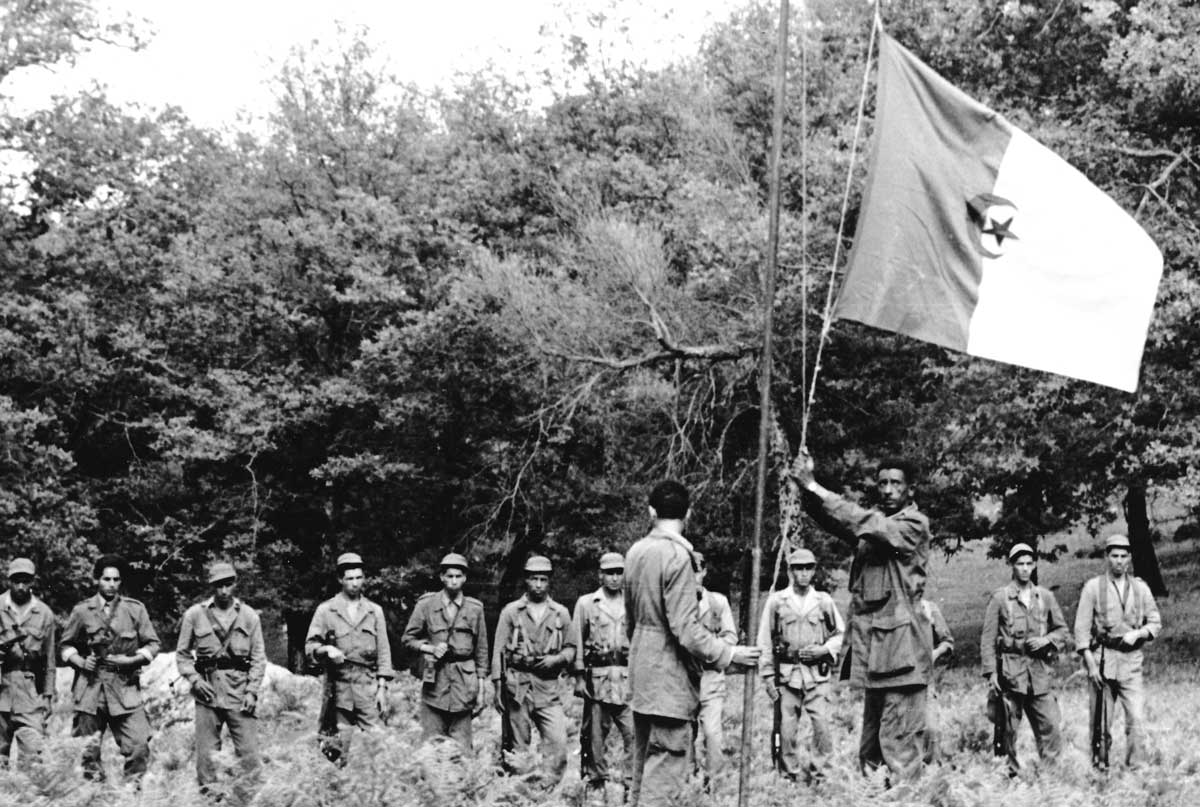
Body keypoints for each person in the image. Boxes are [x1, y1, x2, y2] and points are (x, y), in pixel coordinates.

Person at [624, 480, 761, 807]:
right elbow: (686, 629)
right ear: (689, 512)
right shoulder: (678, 555)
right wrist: (728, 653)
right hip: (669, 683)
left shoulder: (636, 551)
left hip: (642, 678)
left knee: (641, 774)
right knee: (665, 775)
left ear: (651, 512)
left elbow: (631, 621)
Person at [797, 453, 932, 782]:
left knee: (899, 752)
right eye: (882, 483)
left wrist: (816, 486)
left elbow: (865, 524)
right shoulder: (873, 532)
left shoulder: (911, 526)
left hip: (902, 660)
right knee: (870, 755)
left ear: (910, 490)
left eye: (895, 484)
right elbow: (839, 522)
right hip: (878, 661)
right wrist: (807, 491)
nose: (887, 490)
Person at [60, 553, 161, 782]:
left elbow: (153, 644)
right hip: (90, 689)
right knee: (87, 752)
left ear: (121, 581)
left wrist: (133, 660)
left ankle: (129, 796)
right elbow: (65, 646)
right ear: (97, 580)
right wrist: (80, 661)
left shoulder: (135, 610)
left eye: (116, 580)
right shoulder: (82, 611)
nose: (111, 584)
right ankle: (97, 797)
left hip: (124, 689)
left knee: (138, 746)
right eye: (106, 579)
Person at [176, 561, 267, 803]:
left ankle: (248, 801)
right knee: (206, 759)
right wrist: (194, 680)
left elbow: (259, 658)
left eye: (228, 584)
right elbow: (182, 655)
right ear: (211, 586)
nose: (224, 591)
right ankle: (210, 801)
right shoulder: (194, 615)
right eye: (218, 586)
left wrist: (252, 691)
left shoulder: (249, 616)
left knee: (249, 756)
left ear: (235, 584)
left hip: (239, 693)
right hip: (207, 693)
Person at [1073, 533, 1161, 769]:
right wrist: (1090, 665)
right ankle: (1100, 768)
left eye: (1123, 556)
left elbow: (1154, 622)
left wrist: (1139, 633)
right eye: (1114, 556)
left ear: (1130, 558)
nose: (1119, 561)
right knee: (1101, 721)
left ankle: (1137, 767)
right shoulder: (1093, 588)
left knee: (1137, 718)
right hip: (1102, 662)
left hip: (1131, 662)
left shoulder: (1140, 587)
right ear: (1106, 557)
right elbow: (1081, 631)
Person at [756, 547, 845, 781]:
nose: (804, 573)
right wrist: (767, 676)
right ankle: (789, 775)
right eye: (798, 568)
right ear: (790, 571)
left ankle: (821, 774)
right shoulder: (777, 602)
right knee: (786, 729)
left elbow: (840, 634)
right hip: (787, 675)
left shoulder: (823, 601)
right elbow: (765, 639)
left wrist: (824, 650)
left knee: (822, 726)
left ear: (814, 570)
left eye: (808, 568)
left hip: (817, 675)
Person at [980, 543, 1068, 772]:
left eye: (1029, 564)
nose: (1025, 568)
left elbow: (1062, 631)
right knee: (1007, 730)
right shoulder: (1000, 598)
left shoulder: (1045, 597)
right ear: (1012, 566)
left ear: (1035, 565)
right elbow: (988, 639)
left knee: (1051, 726)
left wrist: (1046, 641)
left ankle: (1051, 778)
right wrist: (991, 673)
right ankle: (1007, 775)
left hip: (1039, 674)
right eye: (1020, 564)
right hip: (1010, 674)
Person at [492, 555, 578, 788]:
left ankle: (547, 791)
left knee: (558, 745)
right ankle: (519, 793)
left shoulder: (560, 613)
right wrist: (498, 688)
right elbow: (498, 651)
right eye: (533, 579)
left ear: (549, 581)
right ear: (526, 581)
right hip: (517, 687)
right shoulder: (511, 612)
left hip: (548, 688)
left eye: (543, 579)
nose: (538, 584)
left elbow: (571, 647)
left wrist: (557, 659)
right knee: (518, 749)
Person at [305, 552, 394, 763]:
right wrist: (326, 650)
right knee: (336, 750)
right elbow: (310, 646)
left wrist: (382, 689)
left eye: (358, 578)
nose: (355, 583)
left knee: (379, 747)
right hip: (339, 688)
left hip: (368, 687)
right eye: (350, 578)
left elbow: (383, 652)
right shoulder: (326, 610)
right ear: (340, 579)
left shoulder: (374, 611)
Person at [401, 552, 489, 750]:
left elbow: (482, 651)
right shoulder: (426, 605)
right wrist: (429, 648)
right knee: (431, 747)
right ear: (441, 577)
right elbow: (408, 639)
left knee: (462, 749)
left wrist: (482, 689)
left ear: (465, 578)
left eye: (458, 576)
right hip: (435, 684)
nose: (454, 581)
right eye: (449, 576)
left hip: (464, 686)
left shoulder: (475, 609)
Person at [573, 551, 633, 804]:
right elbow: (576, 640)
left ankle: (632, 784)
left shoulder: (633, 603)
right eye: (609, 573)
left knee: (635, 734)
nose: (615, 578)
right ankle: (596, 783)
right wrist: (578, 678)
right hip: (597, 679)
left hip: (628, 679)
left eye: (619, 572)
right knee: (595, 736)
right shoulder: (587, 604)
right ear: (600, 574)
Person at [0, 558, 56, 769]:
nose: (21, 586)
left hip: (29, 690)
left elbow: (50, 659)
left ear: (33, 581)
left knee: (33, 756)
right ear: (9, 581)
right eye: (16, 581)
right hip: (0, 685)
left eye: (25, 581)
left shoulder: (44, 614)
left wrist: (48, 696)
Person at [693, 551, 737, 785]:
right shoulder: (676, 603)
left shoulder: (717, 603)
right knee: (684, 735)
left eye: (697, 571)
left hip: (710, 677)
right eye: (688, 572)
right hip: (683, 678)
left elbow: (730, 638)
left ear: (704, 572)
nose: (694, 577)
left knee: (712, 733)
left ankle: (715, 781)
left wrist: (709, 649)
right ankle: (688, 781)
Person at [921, 597, 954, 764]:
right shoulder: (890, 609)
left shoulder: (928, 608)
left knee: (931, 730)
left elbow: (947, 642)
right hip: (896, 685)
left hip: (923, 683)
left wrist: (935, 653)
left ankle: (932, 779)